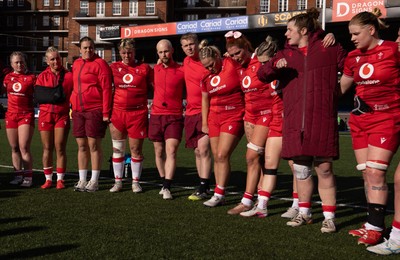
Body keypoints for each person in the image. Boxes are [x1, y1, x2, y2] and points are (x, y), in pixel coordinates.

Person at [257, 8, 346, 233]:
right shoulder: (285, 54)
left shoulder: (329, 47)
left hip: (322, 119)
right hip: (296, 121)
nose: (286, 34)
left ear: (304, 30)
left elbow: (352, 67)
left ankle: (329, 216)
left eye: (289, 30)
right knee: (301, 170)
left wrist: (336, 94)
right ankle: (304, 213)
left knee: (324, 169)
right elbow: (261, 75)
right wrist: (272, 66)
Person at [340, 10, 400, 251]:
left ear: (371, 30)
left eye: (356, 33)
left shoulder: (394, 51)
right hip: (359, 120)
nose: (352, 38)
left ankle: (379, 229)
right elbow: (341, 88)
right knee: (367, 174)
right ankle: (373, 226)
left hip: (386, 117)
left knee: (376, 173)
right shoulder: (352, 57)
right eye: (350, 34)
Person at [223, 31, 274, 215]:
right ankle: (259, 200)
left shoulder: (259, 61)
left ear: (246, 47)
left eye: (238, 53)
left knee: (252, 157)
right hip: (250, 116)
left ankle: (247, 200)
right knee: (256, 159)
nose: (236, 58)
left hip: (267, 114)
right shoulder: (238, 66)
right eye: (232, 55)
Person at [199, 41, 244, 207]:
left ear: (218, 56)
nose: (209, 69)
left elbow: (244, 54)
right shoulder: (206, 77)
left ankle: (219, 193)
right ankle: (220, 192)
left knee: (221, 155)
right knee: (217, 156)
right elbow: (205, 100)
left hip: (233, 114)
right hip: (214, 118)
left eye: (211, 64)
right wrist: (205, 122)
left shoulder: (231, 63)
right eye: (206, 67)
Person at [108, 39, 153, 193]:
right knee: (118, 150)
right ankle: (118, 182)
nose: (127, 55)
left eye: (130, 52)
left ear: (134, 52)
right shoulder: (113, 68)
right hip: (118, 113)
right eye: (124, 52)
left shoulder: (144, 68)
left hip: (137, 114)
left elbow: (154, 86)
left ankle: (135, 182)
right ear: (119, 53)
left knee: (136, 149)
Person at [70, 36, 113, 192]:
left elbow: (107, 89)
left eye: (91, 47)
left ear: (94, 49)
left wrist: (106, 112)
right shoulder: (76, 64)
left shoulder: (100, 64)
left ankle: (94, 180)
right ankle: (82, 180)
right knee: (81, 146)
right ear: (80, 49)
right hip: (78, 111)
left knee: (93, 145)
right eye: (85, 48)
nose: (88, 50)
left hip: (95, 109)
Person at [150, 39, 185, 200]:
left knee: (171, 150)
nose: (164, 54)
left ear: (171, 51)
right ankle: (164, 180)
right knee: (158, 151)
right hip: (156, 115)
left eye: (166, 51)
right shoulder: (154, 70)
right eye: (161, 52)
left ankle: (167, 186)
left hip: (174, 115)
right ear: (157, 54)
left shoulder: (181, 70)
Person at [180, 33, 212, 201]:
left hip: (208, 111)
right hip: (191, 112)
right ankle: (203, 184)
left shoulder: (207, 60)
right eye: (186, 46)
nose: (189, 48)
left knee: (204, 148)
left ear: (198, 43)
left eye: (192, 44)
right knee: (198, 151)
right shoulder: (185, 62)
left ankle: (204, 186)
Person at [36, 46, 73, 189]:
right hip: (45, 115)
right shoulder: (41, 76)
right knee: (47, 148)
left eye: (57, 58)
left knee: (60, 147)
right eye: (52, 59)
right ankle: (48, 179)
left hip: (61, 115)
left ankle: (60, 179)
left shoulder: (68, 76)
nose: (55, 61)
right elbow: (40, 97)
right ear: (47, 61)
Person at [3, 52, 36, 187]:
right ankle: (17, 175)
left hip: (25, 115)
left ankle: (28, 177)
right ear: (11, 64)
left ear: (25, 62)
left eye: (21, 62)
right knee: (14, 147)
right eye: (16, 62)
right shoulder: (7, 78)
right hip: (11, 115)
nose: (19, 64)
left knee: (23, 147)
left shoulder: (31, 78)